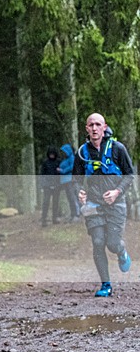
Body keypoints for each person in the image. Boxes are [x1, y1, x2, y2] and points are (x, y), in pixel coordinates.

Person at [72, 113, 135, 297]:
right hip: (94, 205)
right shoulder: (82, 152)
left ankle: (121, 251)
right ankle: (106, 285)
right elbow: (75, 179)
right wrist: (79, 192)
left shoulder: (118, 148)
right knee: (98, 242)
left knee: (112, 244)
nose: (94, 128)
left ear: (104, 127)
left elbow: (129, 175)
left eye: (97, 124)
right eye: (90, 125)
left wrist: (117, 192)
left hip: (116, 205)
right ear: (86, 128)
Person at [39, 146, 62, 227]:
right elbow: (42, 174)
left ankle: (54, 218)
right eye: (50, 154)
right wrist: (43, 185)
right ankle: (44, 219)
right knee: (46, 202)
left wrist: (60, 184)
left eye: (53, 154)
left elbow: (61, 173)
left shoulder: (59, 162)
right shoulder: (45, 162)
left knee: (55, 202)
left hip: (56, 185)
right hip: (47, 186)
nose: (51, 155)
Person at [59, 143, 80, 222]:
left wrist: (63, 170)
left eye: (64, 151)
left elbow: (72, 167)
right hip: (65, 181)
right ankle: (72, 214)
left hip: (71, 180)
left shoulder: (72, 158)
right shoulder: (65, 159)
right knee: (70, 198)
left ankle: (77, 214)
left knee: (73, 198)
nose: (63, 153)